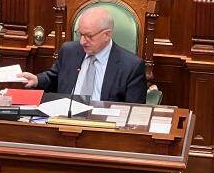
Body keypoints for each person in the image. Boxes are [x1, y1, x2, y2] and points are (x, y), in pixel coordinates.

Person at [19, 7, 147, 104]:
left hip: (103, 130)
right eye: (81, 34)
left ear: (107, 35)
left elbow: (133, 111)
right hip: (64, 121)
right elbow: (54, 78)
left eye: (89, 36)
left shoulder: (131, 66)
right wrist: (37, 80)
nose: (82, 41)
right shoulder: (69, 51)